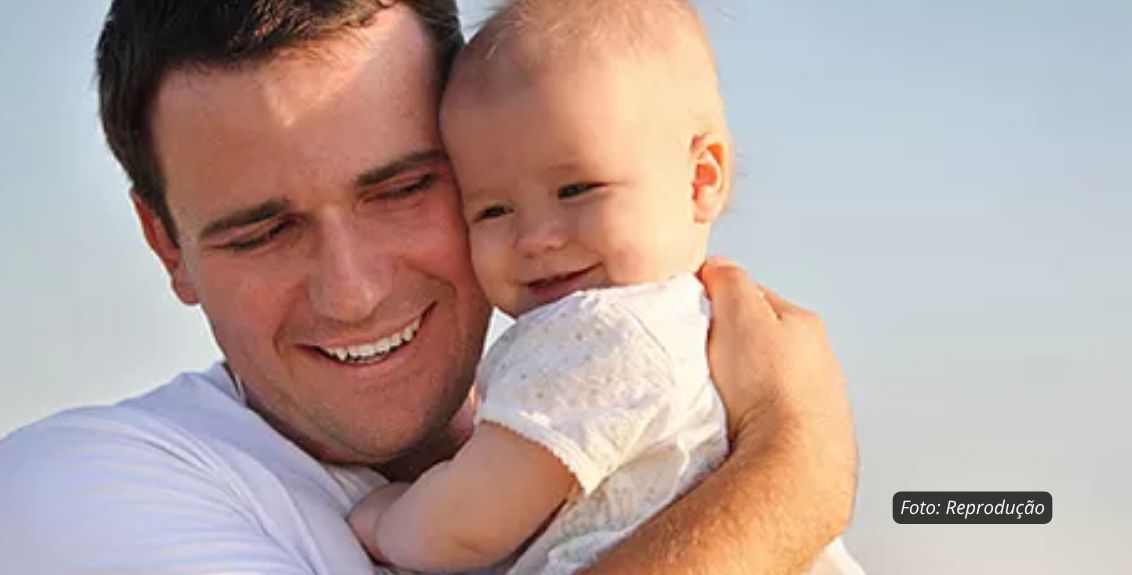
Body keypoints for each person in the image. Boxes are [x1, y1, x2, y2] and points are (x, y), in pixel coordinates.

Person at [0, 1, 858, 574]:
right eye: (263, 232)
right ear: (166, 245)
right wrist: (797, 464)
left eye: (402, 189)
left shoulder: (595, 391)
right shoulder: (73, 491)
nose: (352, 292)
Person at [346, 1, 863, 574]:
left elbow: (468, 522)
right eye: (493, 210)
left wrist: (384, 519)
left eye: (577, 190)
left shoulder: (601, 333)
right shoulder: (693, 328)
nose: (536, 237)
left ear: (700, 179)